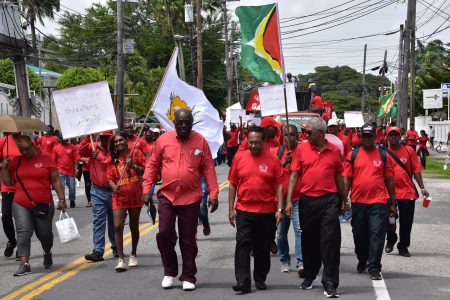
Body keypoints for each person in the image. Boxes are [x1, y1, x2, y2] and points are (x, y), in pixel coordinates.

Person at [142, 108, 219, 291]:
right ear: (174, 123)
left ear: (192, 122)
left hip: (191, 198)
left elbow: (208, 169)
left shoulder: (200, 141)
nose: (184, 125)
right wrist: (146, 189)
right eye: (180, 122)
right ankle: (169, 271)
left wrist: (214, 194)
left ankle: (188, 276)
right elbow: (152, 166)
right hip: (167, 196)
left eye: (187, 122)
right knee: (164, 233)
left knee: (188, 239)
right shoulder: (163, 140)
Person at [286, 118, 345, 298]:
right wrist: (289, 200)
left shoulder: (334, 151)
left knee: (330, 242)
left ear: (321, 133)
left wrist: (345, 200)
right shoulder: (302, 149)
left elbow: (339, 177)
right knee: (309, 241)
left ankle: (330, 282)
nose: (306, 136)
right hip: (307, 201)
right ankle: (310, 274)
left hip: (329, 201)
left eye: (309, 133)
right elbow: (294, 175)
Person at [228, 126, 284, 294]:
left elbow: (280, 185)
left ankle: (260, 277)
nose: (253, 146)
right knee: (243, 244)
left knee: (262, 247)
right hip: (244, 210)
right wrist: (231, 209)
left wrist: (280, 208)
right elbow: (232, 183)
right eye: (250, 142)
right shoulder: (239, 157)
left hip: (266, 211)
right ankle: (243, 281)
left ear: (264, 142)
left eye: (257, 143)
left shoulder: (272, 159)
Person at [1, 135, 66, 276]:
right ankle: (24, 264)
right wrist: (4, 169)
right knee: (23, 232)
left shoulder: (46, 160)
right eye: (20, 150)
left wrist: (62, 199)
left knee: (44, 234)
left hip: (43, 204)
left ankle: (47, 251)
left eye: (26, 149)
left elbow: (55, 181)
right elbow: (9, 183)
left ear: (33, 146)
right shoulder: (16, 161)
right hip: (20, 203)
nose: (23, 153)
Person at [343, 124, 396, 281]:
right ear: (360, 136)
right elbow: (347, 179)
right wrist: (344, 200)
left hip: (378, 201)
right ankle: (362, 258)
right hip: (358, 201)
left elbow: (389, 181)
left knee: (377, 234)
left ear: (375, 137)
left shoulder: (383, 155)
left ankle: (374, 267)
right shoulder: (353, 155)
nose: (367, 139)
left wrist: (392, 202)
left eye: (370, 136)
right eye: (364, 136)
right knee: (359, 234)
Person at [385, 127, 429, 257]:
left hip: (407, 192)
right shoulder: (383, 153)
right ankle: (391, 240)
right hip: (389, 193)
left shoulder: (409, 151)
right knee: (389, 220)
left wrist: (422, 188)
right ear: (387, 137)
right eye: (391, 135)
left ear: (401, 137)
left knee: (406, 222)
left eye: (396, 135)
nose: (393, 137)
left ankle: (403, 246)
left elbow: (416, 170)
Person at [107, 132, 146, 272]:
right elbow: (109, 178)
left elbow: (146, 170)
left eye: (121, 140)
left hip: (135, 195)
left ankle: (133, 254)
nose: (118, 143)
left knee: (134, 227)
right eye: (116, 142)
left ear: (126, 140)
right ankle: (121, 259)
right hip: (119, 197)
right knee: (117, 226)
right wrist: (114, 187)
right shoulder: (113, 158)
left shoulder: (136, 152)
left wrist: (134, 166)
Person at [79, 132, 118, 262]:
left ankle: (116, 246)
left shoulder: (116, 148)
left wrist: (100, 156)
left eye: (107, 137)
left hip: (113, 191)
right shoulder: (92, 146)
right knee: (98, 221)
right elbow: (80, 151)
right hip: (97, 191)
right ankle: (98, 250)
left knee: (114, 222)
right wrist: (87, 135)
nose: (104, 140)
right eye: (102, 137)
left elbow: (111, 162)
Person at [270, 125, 304, 276]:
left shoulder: (303, 151)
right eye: (285, 135)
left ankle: (301, 261)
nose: (288, 138)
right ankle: (284, 259)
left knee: (299, 230)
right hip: (280, 200)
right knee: (281, 233)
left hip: (298, 198)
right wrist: (283, 163)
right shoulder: (276, 152)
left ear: (297, 136)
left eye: (291, 135)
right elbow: (270, 173)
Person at [0, 133, 21, 258]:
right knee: (6, 215)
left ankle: (22, 246)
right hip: (7, 185)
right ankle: (12, 241)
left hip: (22, 185)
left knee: (21, 217)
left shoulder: (27, 141)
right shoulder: (3, 141)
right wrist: (3, 165)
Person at [52, 136, 79, 208]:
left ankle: (72, 200)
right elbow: (54, 161)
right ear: (60, 139)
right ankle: (62, 201)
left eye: (66, 138)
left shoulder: (72, 147)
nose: (65, 140)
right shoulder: (56, 148)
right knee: (61, 187)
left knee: (72, 187)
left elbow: (76, 159)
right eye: (63, 139)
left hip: (71, 171)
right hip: (60, 170)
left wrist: (77, 169)